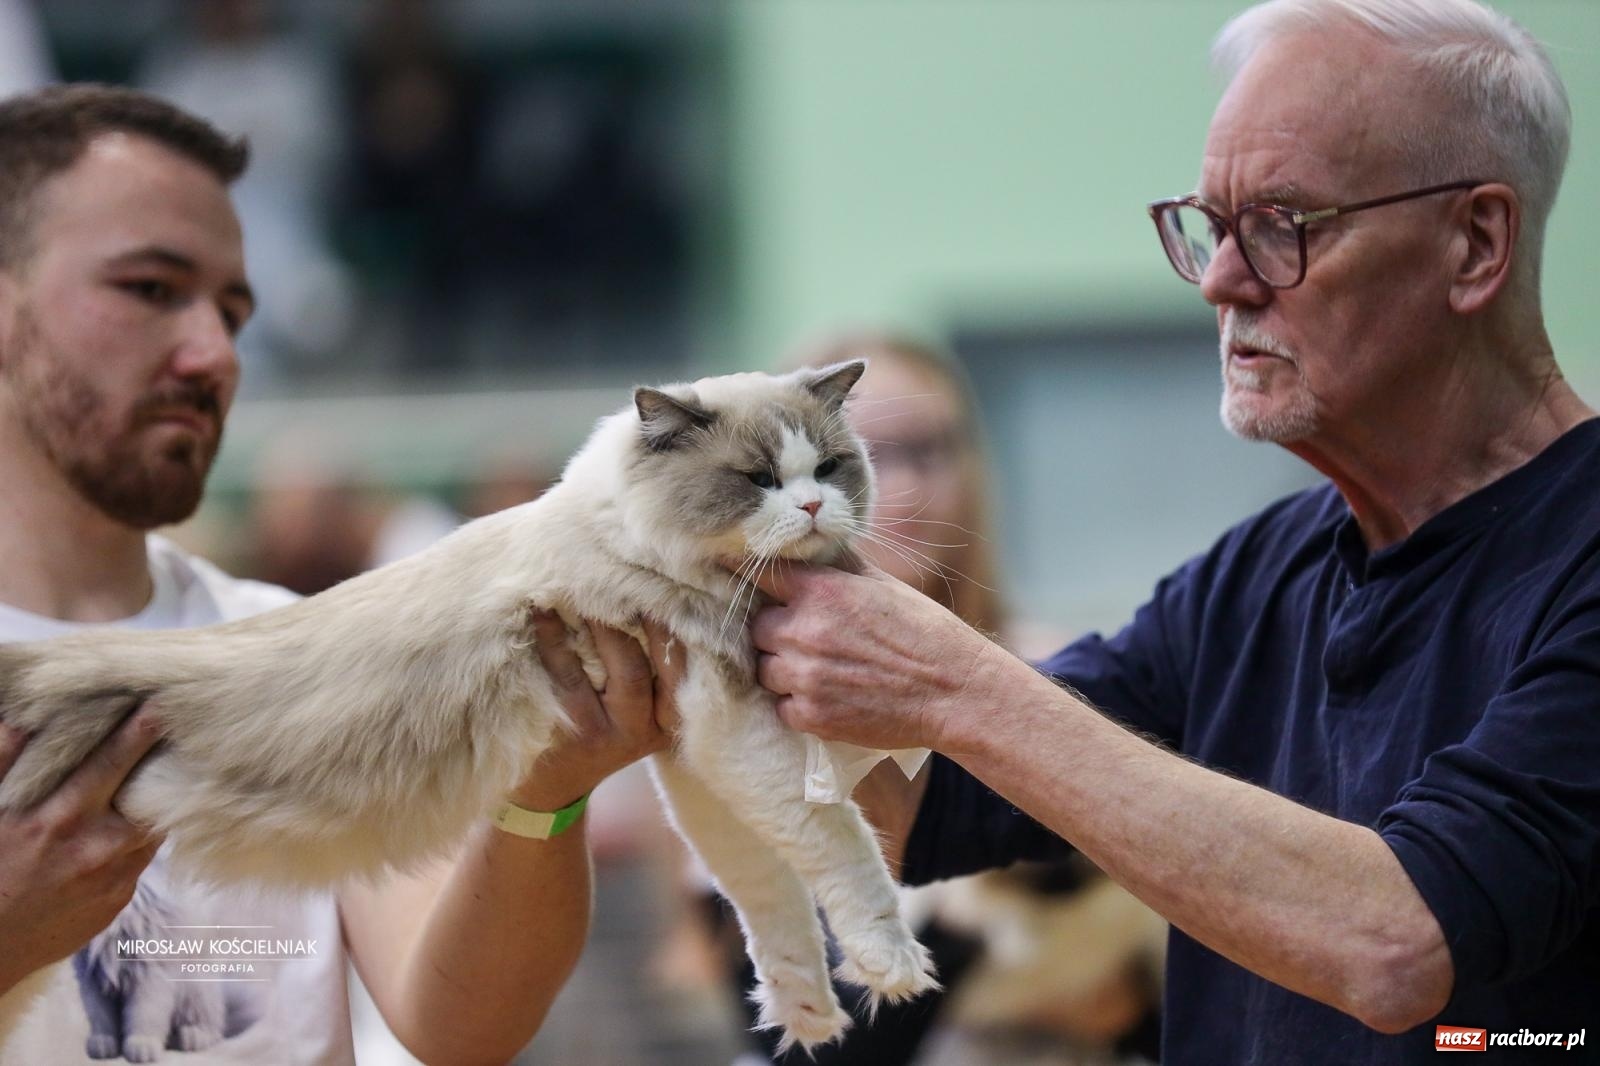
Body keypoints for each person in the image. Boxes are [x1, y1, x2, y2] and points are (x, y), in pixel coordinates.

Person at [740, 2, 1596, 1062]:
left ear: (1475, 243)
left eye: (1283, 224)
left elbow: (1397, 941)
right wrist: (717, 620)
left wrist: (954, 684)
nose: (1223, 280)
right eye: (1211, 225)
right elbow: (917, 813)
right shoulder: (1256, 575)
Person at [0, 84, 677, 1064]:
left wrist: (547, 794)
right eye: (149, 288)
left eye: (232, 311)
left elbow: (460, 1025)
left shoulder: (302, 636)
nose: (214, 353)